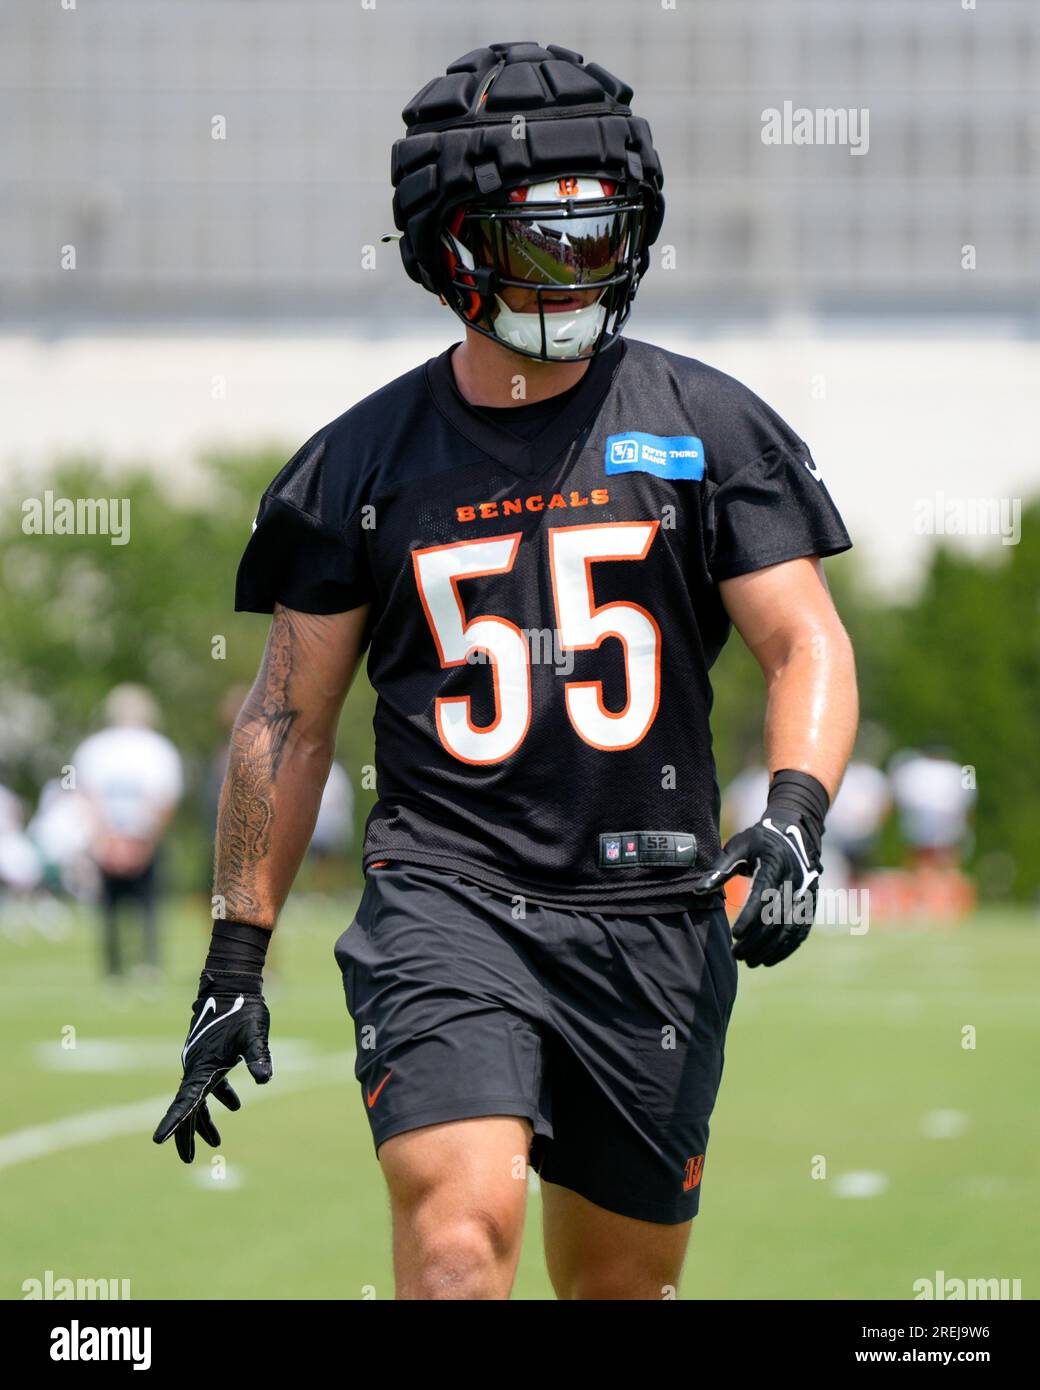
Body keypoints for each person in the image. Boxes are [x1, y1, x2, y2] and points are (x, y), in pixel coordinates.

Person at [155, 41, 858, 1300]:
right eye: (544, 243)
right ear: (450, 250)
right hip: (448, 899)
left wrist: (793, 818)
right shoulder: (356, 466)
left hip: (650, 912)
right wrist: (232, 957)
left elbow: (804, 636)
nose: (578, 271)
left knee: (616, 1289)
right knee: (457, 1244)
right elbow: (286, 718)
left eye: (600, 239)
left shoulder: (708, 427)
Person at [73, 684, 183, 979]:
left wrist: (120, 840)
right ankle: (138, 965)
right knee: (138, 906)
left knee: (130, 907)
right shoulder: (156, 748)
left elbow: (161, 798)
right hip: (125, 840)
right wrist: (122, 840)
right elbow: (164, 798)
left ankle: (121, 968)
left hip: (126, 840)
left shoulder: (99, 747)